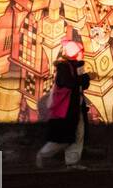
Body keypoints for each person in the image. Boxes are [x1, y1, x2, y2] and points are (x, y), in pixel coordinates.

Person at [36, 41, 91, 169]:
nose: (82, 54)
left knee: (78, 134)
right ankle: (43, 154)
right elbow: (70, 83)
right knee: (64, 138)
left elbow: (83, 86)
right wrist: (86, 77)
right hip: (67, 110)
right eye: (79, 52)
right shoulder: (64, 67)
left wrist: (84, 76)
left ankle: (72, 162)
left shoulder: (77, 66)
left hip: (77, 107)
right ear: (74, 53)